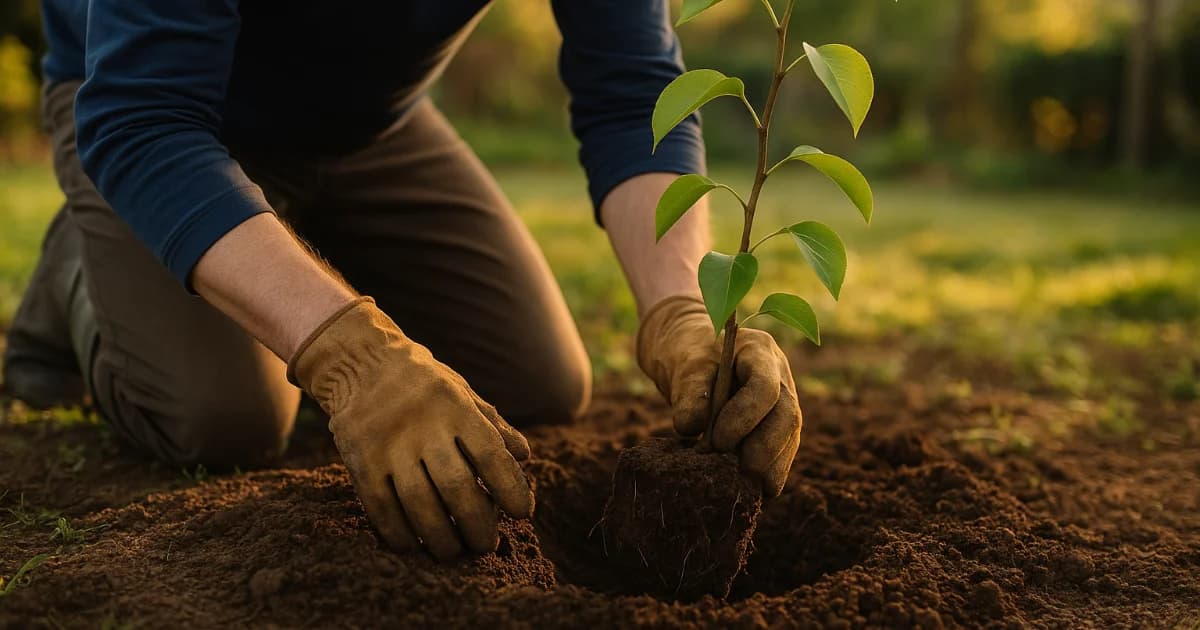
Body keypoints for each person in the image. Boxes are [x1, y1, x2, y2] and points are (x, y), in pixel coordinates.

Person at [3, 0, 803, 560]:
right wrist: (352, 356)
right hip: (157, 115)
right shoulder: (144, 108)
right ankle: (85, 258)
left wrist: (678, 310)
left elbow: (632, 96)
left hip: (371, 126)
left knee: (538, 380)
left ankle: (285, 251)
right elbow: (141, 120)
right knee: (223, 417)